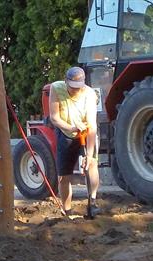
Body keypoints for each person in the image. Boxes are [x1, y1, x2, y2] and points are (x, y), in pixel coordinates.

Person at [49, 66, 101, 217]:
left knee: (91, 165)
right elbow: (54, 117)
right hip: (66, 133)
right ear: (66, 82)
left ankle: (93, 201)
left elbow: (92, 126)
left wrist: (89, 155)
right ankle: (67, 211)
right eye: (72, 87)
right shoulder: (56, 88)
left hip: (86, 133)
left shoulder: (90, 95)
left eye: (79, 88)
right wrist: (71, 128)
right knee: (63, 175)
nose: (75, 90)